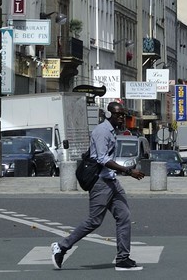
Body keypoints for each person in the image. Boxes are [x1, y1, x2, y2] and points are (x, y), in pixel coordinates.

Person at [52, 100, 146, 272]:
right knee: (94, 221)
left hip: (111, 181)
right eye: (118, 114)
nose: (121, 118)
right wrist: (128, 171)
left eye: (123, 115)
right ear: (109, 114)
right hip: (100, 182)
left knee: (124, 216)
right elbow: (102, 158)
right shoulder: (102, 131)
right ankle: (61, 247)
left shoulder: (112, 131)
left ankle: (122, 259)